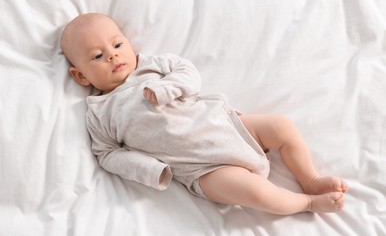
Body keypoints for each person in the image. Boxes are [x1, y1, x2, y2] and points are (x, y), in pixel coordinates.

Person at [60, 13, 348, 215]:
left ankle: (310, 179)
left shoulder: (153, 66)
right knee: (258, 193)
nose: (112, 55)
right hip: (201, 169)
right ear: (81, 76)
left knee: (280, 125)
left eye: (118, 44)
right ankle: (307, 202)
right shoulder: (100, 112)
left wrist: (170, 87)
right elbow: (107, 154)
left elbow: (188, 72)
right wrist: (149, 169)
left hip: (228, 126)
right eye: (97, 56)